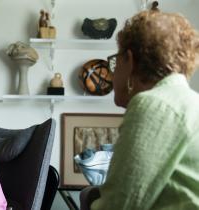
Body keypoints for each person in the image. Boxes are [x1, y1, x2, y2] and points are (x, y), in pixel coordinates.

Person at [80, 10, 199, 210]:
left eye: (115, 61)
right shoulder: (187, 101)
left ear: (129, 59)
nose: (112, 71)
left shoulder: (154, 105)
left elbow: (117, 206)